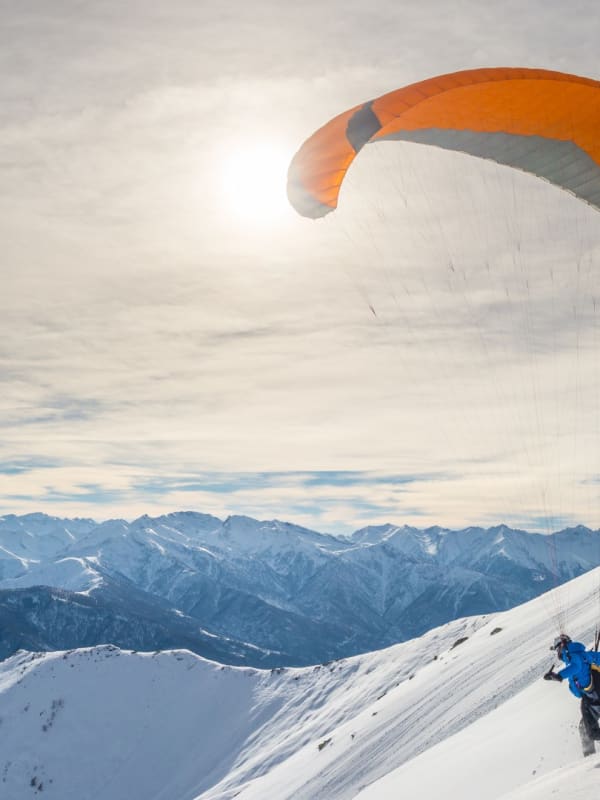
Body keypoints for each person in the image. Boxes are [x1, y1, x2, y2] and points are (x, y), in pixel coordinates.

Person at [544, 634, 600, 748]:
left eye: (557, 649)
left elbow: (577, 666)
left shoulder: (572, 655)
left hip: (594, 694)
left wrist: (559, 676)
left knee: (590, 730)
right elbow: (578, 692)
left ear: (562, 646)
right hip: (590, 696)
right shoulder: (583, 654)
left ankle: (588, 760)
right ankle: (588, 758)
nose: (557, 653)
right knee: (584, 727)